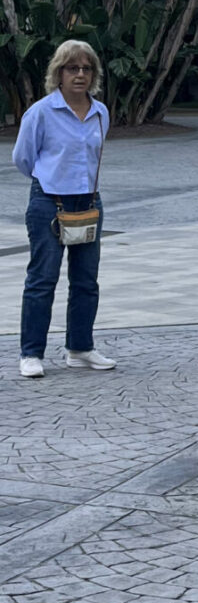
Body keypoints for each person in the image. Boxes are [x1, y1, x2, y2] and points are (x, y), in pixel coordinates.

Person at [12, 40, 116, 378]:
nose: (80, 74)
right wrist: (50, 178)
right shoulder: (41, 112)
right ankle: (31, 352)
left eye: (86, 68)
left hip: (89, 200)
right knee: (42, 278)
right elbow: (23, 158)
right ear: (59, 73)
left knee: (86, 280)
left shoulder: (100, 112)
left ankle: (80, 348)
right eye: (72, 68)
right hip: (49, 201)